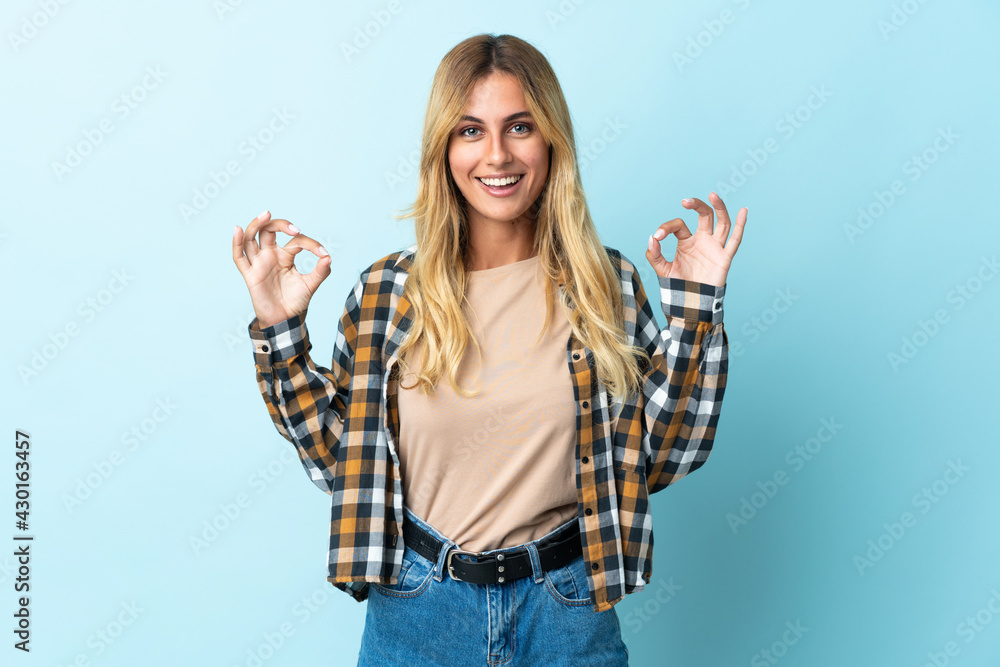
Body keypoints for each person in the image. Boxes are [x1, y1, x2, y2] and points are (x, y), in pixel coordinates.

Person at [232, 32, 745, 667]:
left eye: (520, 127)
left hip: (566, 609)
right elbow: (345, 463)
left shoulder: (604, 286)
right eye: (471, 130)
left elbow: (660, 457)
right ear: (443, 149)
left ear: (551, 139)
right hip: (417, 610)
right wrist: (280, 329)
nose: (497, 154)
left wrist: (696, 309)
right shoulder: (387, 294)